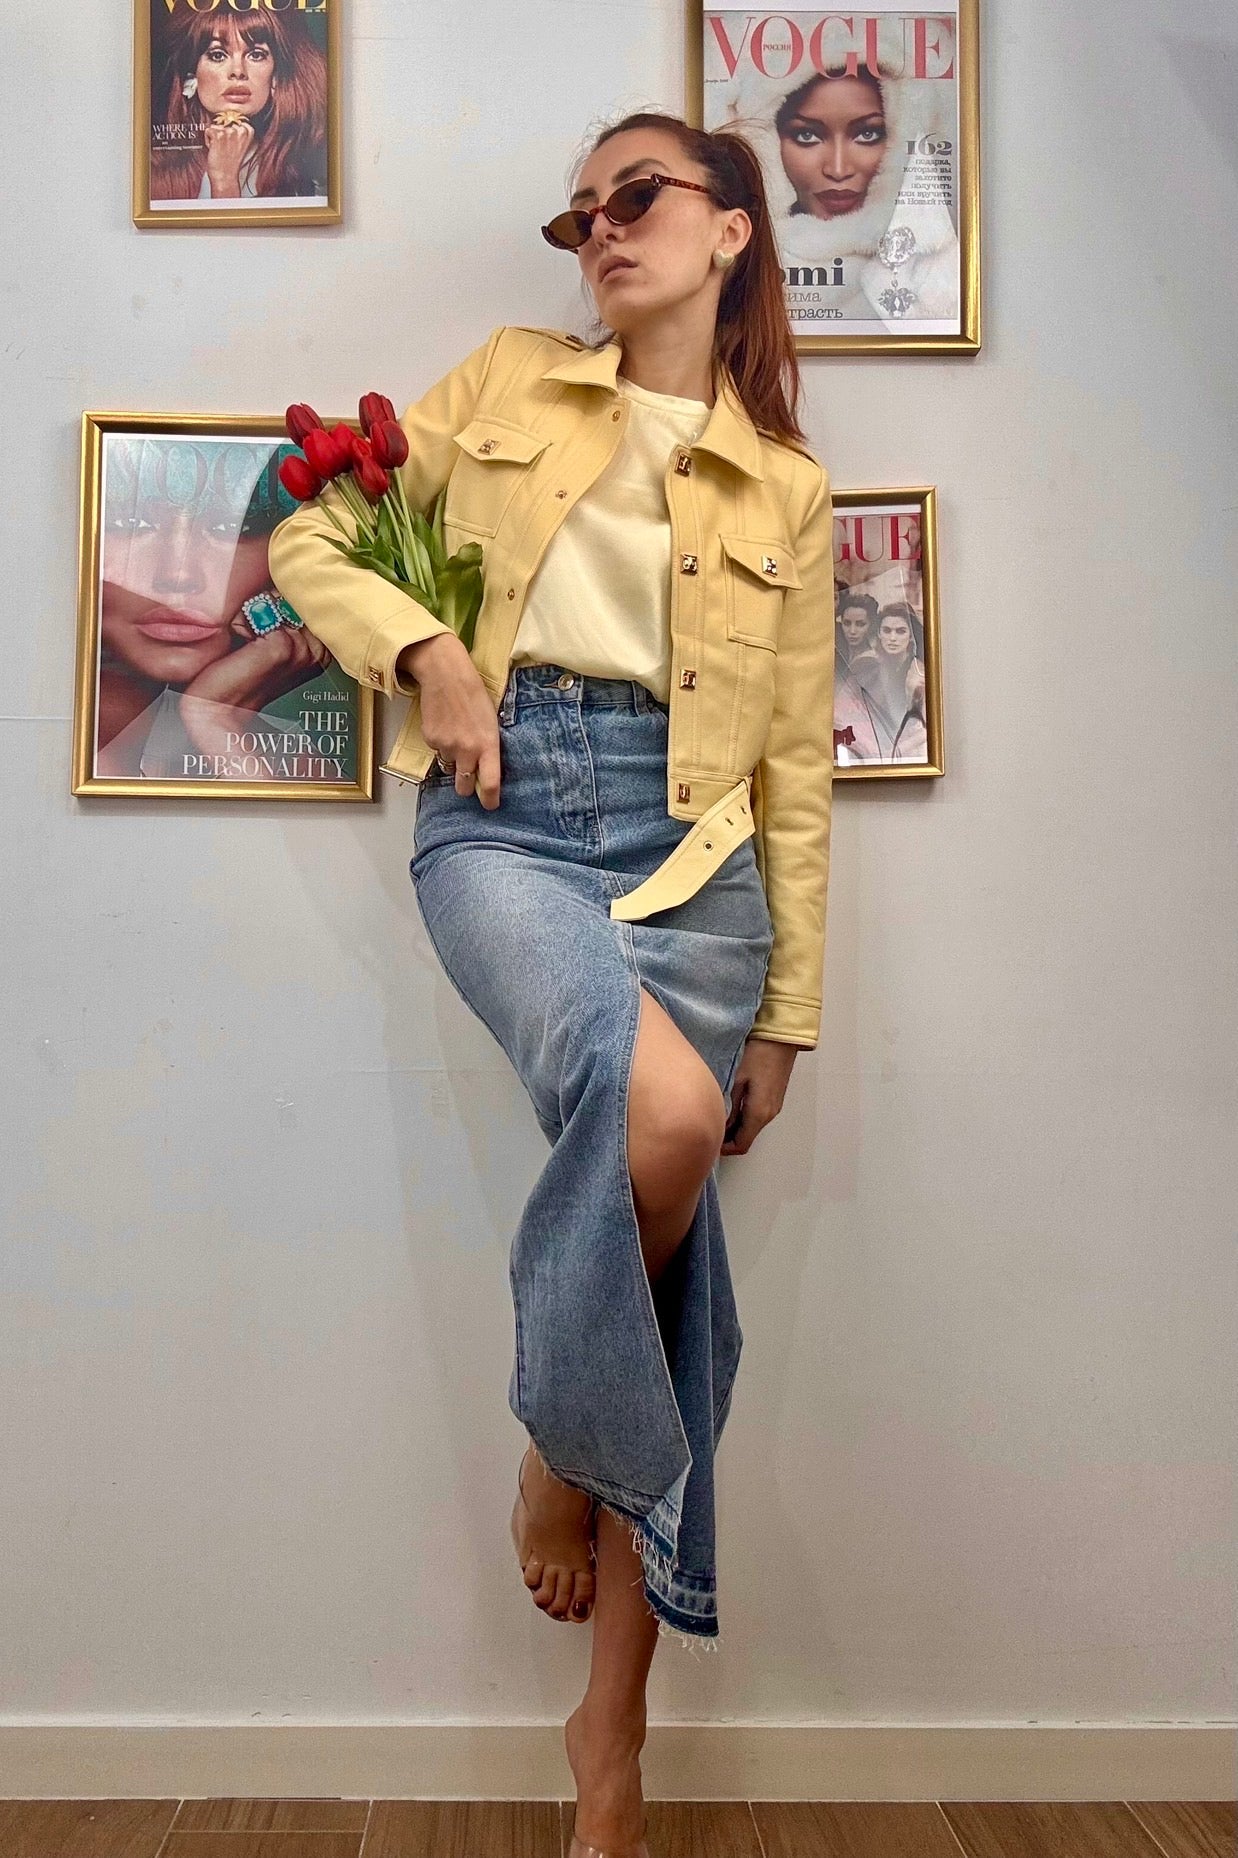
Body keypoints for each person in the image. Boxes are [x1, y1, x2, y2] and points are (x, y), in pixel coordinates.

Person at [267, 108, 835, 1858]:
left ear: (730, 227)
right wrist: (429, 652)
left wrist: (788, 1009)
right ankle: (559, 1450)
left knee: (664, 1233)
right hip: (507, 814)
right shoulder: (510, 377)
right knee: (650, 1120)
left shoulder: (786, 486)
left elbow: (793, 774)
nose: (599, 228)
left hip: (699, 856)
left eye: (635, 196)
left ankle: (609, 1739)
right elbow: (308, 538)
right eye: (578, 212)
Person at [149, 9, 327, 203]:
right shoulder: (153, 172)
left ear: (276, 77)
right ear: (191, 74)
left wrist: (224, 181)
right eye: (218, 55)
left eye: (256, 55)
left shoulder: (305, 174)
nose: (238, 71)